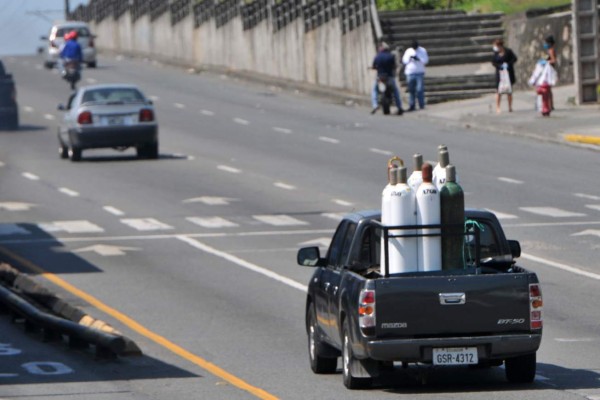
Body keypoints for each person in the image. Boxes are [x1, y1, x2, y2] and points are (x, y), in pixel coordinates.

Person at [371, 42, 403, 115]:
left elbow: (373, 66)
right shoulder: (391, 56)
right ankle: (399, 106)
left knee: (374, 90)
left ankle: (375, 105)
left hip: (380, 77)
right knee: (395, 91)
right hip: (389, 77)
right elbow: (394, 66)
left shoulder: (377, 56)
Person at [491, 38, 517, 113]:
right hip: (499, 74)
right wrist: (499, 66)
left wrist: (508, 64)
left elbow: (514, 59)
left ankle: (510, 107)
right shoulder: (495, 53)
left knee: (509, 91)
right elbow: (493, 62)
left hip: (508, 73)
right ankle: (498, 107)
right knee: (498, 91)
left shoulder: (508, 52)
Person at [402, 40, 429, 111]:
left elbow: (426, 60)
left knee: (419, 89)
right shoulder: (408, 51)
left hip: (419, 72)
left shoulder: (422, 50)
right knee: (411, 90)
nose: (415, 49)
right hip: (410, 73)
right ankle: (412, 105)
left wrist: (419, 59)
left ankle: (421, 105)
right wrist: (409, 58)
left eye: (415, 48)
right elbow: (404, 61)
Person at [544, 35, 557, 110]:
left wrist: (547, 62)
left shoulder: (551, 50)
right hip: (548, 70)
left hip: (550, 70)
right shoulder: (549, 50)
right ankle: (550, 104)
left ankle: (550, 105)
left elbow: (554, 60)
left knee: (548, 89)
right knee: (548, 89)